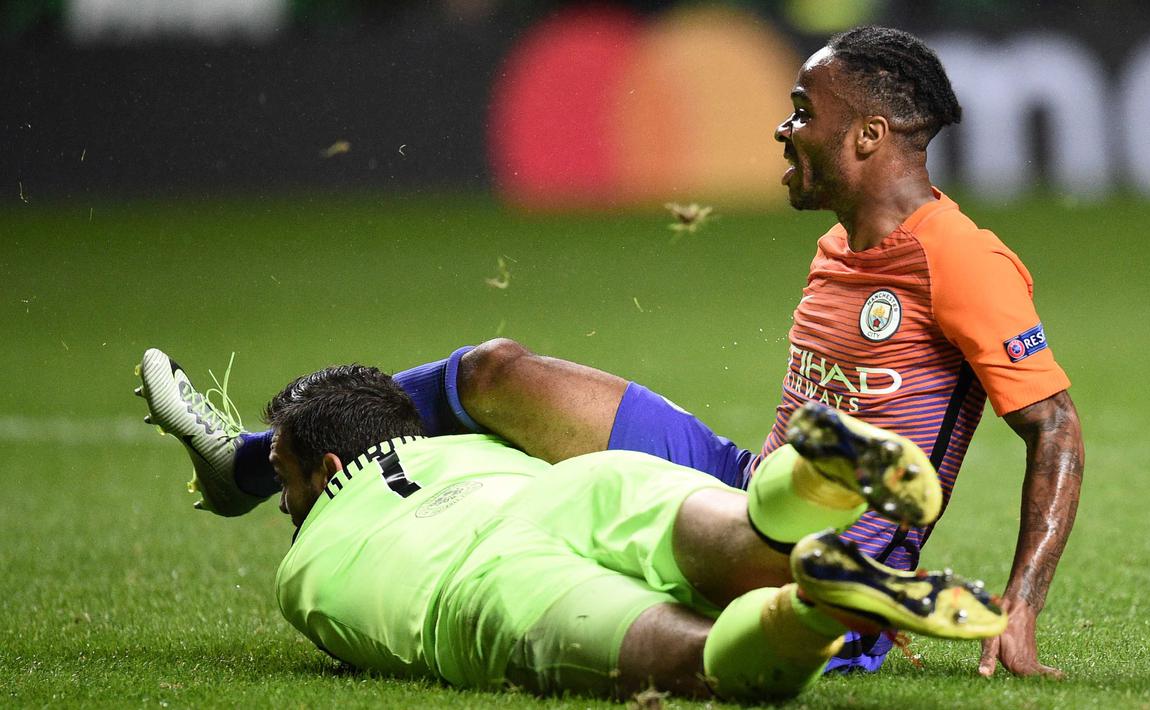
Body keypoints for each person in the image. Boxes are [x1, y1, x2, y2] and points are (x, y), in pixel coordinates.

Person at [138, 25, 1084, 678]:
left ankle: (848, 597)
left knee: (656, 553)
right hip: (743, 482)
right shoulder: (840, 242)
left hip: (817, 547)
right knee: (493, 374)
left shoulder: (962, 259)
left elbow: (1056, 433)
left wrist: (1022, 604)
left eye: (803, 110)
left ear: (870, 135)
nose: (783, 127)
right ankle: (252, 466)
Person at [140, 351, 1007, 700]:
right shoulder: (475, 444)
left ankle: (810, 613)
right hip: (579, 489)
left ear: (325, 474)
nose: (285, 507)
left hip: (482, 585)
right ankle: (813, 477)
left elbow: (362, 628)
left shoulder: (307, 579)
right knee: (743, 538)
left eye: (284, 483)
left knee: (697, 661)